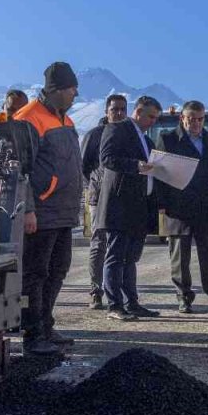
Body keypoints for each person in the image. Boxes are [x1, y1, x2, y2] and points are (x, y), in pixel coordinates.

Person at [13, 62, 85, 356]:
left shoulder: (66, 121)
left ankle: (46, 326)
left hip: (64, 213)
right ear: (55, 90)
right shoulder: (27, 118)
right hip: (40, 212)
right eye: (71, 89)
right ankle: (32, 334)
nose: (75, 95)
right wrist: (28, 209)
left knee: (58, 270)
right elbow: (17, 169)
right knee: (35, 274)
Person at [156, 99, 208, 313]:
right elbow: (160, 175)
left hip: (207, 207)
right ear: (182, 118)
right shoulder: (167, 139)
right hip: (178, 208)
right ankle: (184, 298)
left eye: (200, 119)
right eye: (191, 119)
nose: (196, 123)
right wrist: (162, 205)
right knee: (180, 256)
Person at [95, 95, 162, 322]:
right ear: (139, 111)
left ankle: (132, 302)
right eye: (151, 116)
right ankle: (115, 305)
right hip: (119, 206)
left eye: (156, 118)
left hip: (138, 208)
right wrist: (136, 166)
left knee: (130, 258)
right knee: (115, 256)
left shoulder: (147, 141)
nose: (153, 121)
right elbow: (107, 158)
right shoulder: (118, 129)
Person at [80, 93, 128, 310]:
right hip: (98, 195)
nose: (118, 113)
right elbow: (84, 165)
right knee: (99, 244)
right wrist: (97, 182)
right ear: (106, 111)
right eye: (114, 109)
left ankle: (116, 293)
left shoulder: (128, 134)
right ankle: (95, 291)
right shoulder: (95, 134)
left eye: (122, 110)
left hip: (121, 197)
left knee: (119, 247)